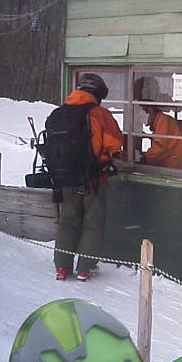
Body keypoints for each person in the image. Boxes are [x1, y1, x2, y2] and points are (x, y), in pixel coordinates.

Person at [54, 73, 123, 282]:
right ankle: (85, 268)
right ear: (98, 94)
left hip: (66, 179)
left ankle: (62, 267)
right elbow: (114, 143)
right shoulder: (99, 114)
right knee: (93, 223)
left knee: (68, 222)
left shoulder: (60, 113)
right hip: (94, 179)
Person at [141, 104, 182, 170]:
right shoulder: (160, 121)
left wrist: (145, 157)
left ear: (150, 110)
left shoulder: (163, 121)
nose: (140, 119)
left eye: (141, 114)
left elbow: (159, 149)